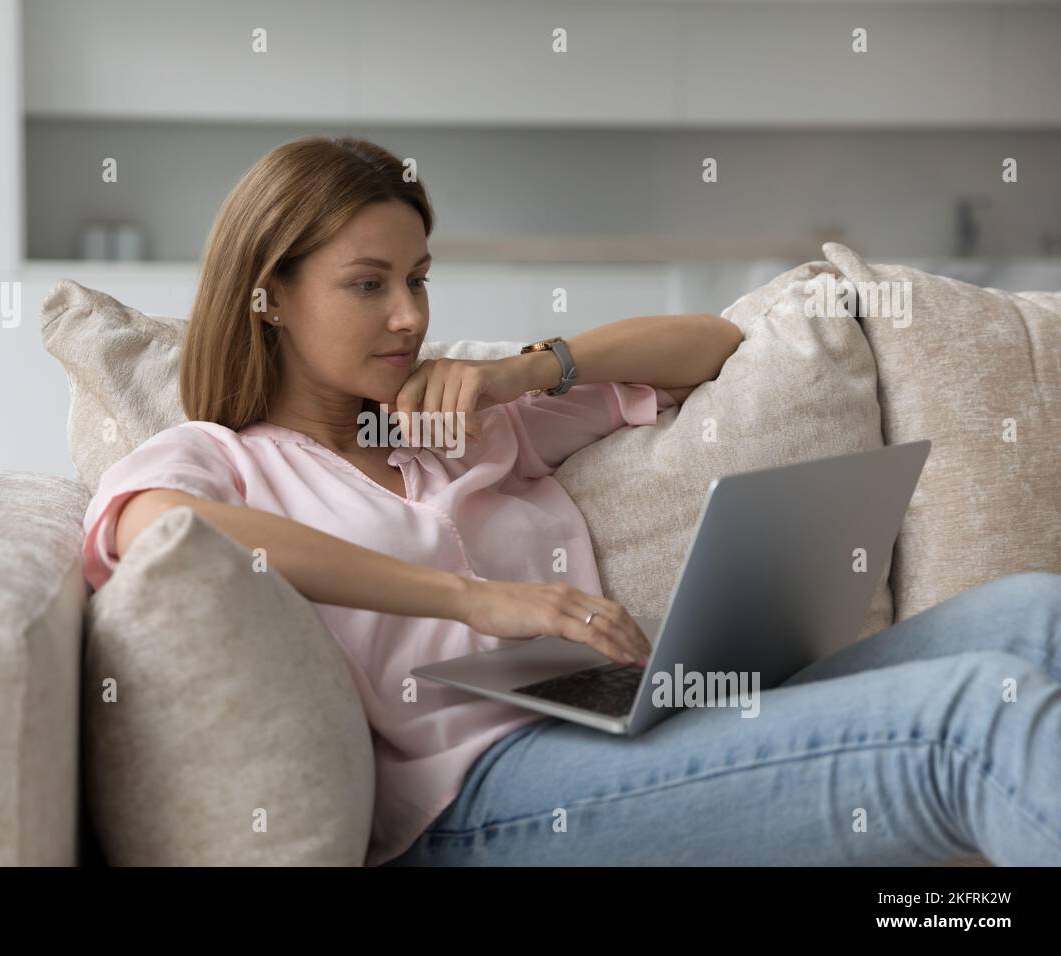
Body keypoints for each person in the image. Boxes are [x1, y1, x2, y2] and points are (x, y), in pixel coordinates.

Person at [80, 135, 1061, 867]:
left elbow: (712, 348)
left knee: (1036, 616)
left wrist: (527, 371)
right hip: (481, 796)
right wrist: (471, 600)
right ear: (270, 296)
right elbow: (167, 527)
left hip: (632, 717)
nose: (410, 315)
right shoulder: (216, 456)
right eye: (368, 284)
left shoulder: (462, 416)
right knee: (969, 719)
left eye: (418, 278)